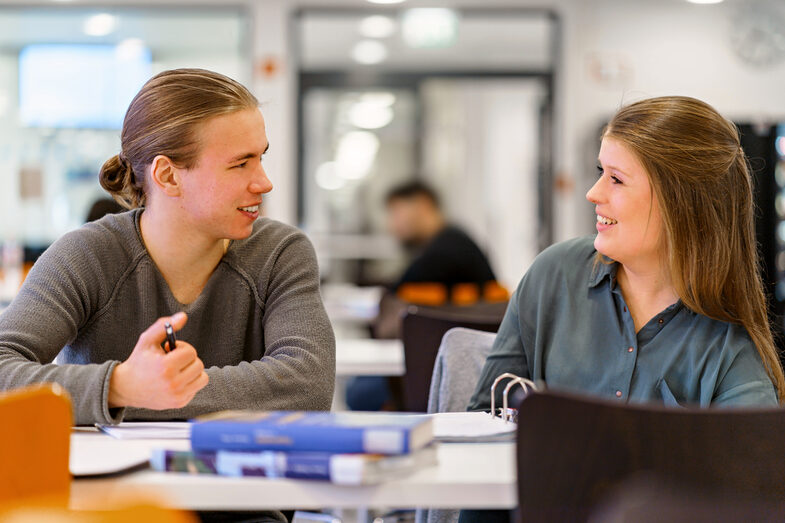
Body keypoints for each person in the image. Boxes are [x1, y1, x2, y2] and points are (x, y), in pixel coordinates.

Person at [460, 96, 785, 523]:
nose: (594, 193)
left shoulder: (729, 349)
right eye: (600, 173)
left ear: (679, 201)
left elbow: (755, 493)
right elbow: (481, 433)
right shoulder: (553, 276)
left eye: (616, 179)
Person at [0, 68, 335, 427]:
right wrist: (121, 387)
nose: (265, 183)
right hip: (111, 480)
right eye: (240, 164)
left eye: (260, 158)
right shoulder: (86, 255)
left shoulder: (281, 252)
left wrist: (152, 390)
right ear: (167, 176)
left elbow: (308, 385)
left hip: (241, 479)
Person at [346, 181, 497, 411]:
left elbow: (397, 291)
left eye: (396, 212)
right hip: (456, 362)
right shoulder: (453, 241)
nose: (392, 224)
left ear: (423, 205)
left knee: (358, 392)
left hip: (449, 367)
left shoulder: (445, 250)